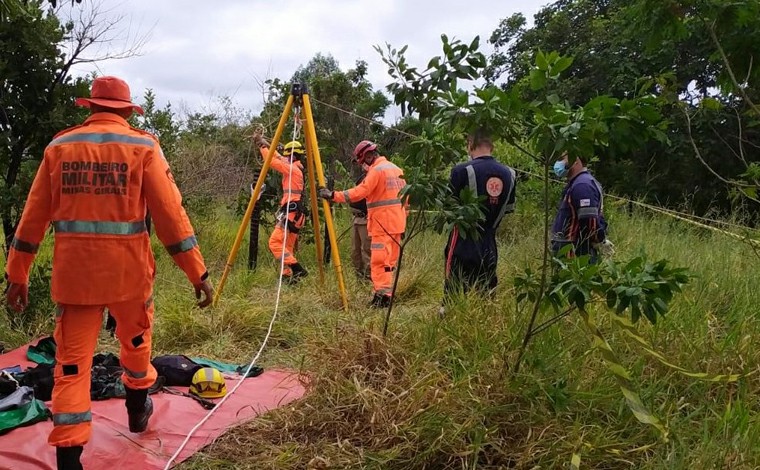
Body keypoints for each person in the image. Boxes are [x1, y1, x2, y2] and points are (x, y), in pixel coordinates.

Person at [4, 76, 214, 470]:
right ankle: (137, 403)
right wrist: (197, 273)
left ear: (91, 107)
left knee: (72, 365)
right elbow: (171, 217)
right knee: (135, 341)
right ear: (126, 111)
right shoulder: (143, 146)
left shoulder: (59, 146)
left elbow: (32, 218)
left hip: (76, 279)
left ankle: (68, 456)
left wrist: (17, 273)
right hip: (128, 276)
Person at [318, 140, 406, 308]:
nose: (362, 166)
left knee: (378, 262)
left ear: (368, 156)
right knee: (388, 263)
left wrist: (333, 195)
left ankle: (382, 298)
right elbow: (405, 199)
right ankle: (386, 295)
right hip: (397, 225)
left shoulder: (377, 171)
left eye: (362, 162)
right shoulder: (396, 169)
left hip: (382, 225)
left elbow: (360, 192)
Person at [442, 129, 516, 314]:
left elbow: (449, 207)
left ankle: (447, 321)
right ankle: (485, 325)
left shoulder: (461, 171)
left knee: (454, 288)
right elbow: (508, 209)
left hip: (463, 239)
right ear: (492, 145)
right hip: (490, 240)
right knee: (486, 291)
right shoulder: (510, 174)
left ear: (470, 144)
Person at [252, 127, 308, 283]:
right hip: (296, 214)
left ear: (292, 155)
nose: (285, 157)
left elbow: (271, 160)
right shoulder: (294, 168)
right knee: (287, 247)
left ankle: (298, 269)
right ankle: (287, 276)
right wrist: (264, 143)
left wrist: (262, 146)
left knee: (275, 243)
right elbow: (277, 157)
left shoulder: (292, 170)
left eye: (287, 155)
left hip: (291, 213)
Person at [550, 153, 613, 263]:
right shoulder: (577, 183)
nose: (558, 163)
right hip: (571, 248)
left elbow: (589, 220)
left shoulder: (582, 185)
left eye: (562, 159)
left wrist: (599, 240)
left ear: (575, 159)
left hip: (576, 252)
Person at [349, 172, 371, 280]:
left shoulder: (372, 177)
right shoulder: (360, 177)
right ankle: (358, 276)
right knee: (355, 250)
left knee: (366, 250)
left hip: (366, 219)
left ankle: (369, 277)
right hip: (356, 219)